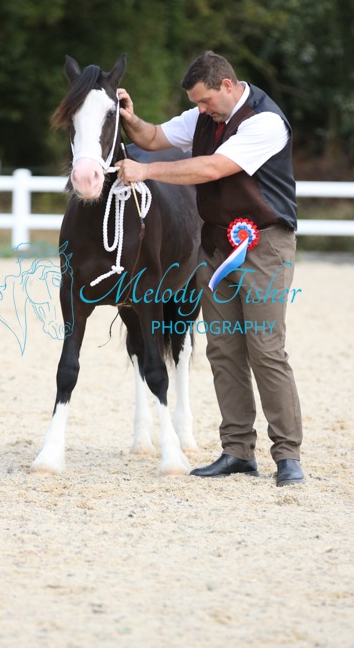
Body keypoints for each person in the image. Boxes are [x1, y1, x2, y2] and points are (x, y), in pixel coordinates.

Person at [115, 51, 304, 487]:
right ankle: (237, 451)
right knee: (222, 348)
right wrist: (130, 118)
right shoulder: (205, 116)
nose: (201, 110)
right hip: (216, 245)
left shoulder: (264, 122)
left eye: (205, 101)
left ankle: (287, 455)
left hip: (263, 246)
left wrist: (146, 171)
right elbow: (155, 135)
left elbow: (213, 167)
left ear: (227, 85)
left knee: (265, 349)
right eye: (196, 103)